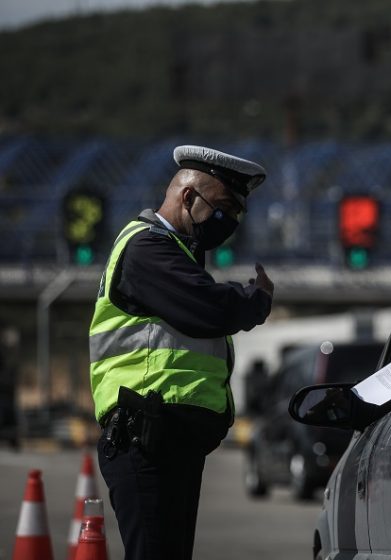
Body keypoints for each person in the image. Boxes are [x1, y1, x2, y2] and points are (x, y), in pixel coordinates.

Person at [89, 145, 274, 560]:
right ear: (189, 198)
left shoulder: (178, 256)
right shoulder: (145, 248)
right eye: (225, 208)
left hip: (171, 442)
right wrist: (256, 299)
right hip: (143, 437)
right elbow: (210, 308)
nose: (231, 223)